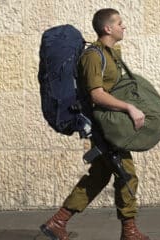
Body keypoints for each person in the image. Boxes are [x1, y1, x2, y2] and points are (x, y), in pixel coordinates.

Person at [40, 8, 150, 240]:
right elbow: (96, 95)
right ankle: (129, 232)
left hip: (110, 125)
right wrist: (128, 107)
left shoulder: (109, 54)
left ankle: (57, 222)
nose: (124, 26)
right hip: (103, 128)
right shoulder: (93, 56)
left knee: (99, 175)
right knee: (126, 174)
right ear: (107, 28)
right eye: (119, 23)